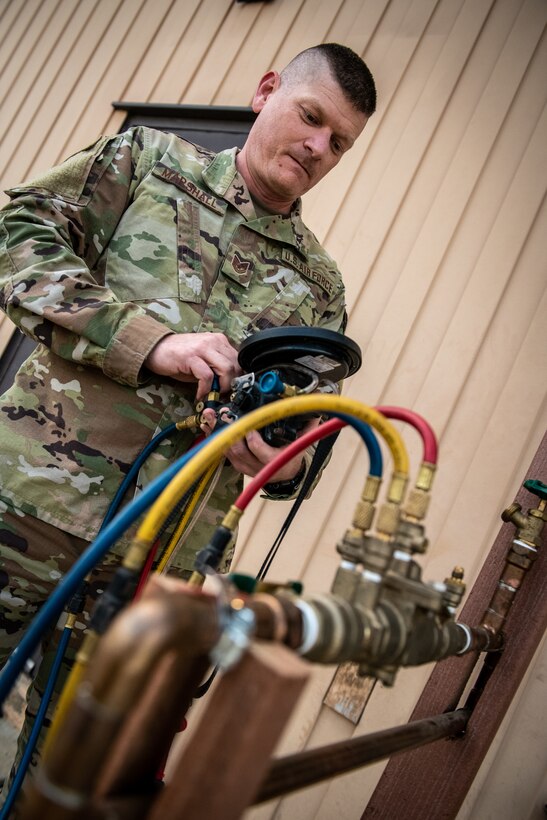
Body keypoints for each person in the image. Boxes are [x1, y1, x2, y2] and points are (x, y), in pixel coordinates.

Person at [0, 43, 376, 791]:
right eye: (311, 118)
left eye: (338, 143)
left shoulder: (319, 286)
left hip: (151, 573)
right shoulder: (149, 162)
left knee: (64, 780)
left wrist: (284, 459)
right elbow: (18, 236)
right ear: (266, 89)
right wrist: (151, 342)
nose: (317, 148)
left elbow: (304, 440)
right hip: (23, 510)